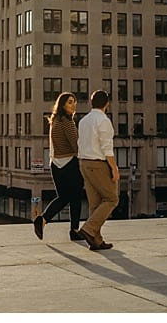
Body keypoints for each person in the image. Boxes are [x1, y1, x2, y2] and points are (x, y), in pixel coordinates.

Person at [33, 92, 86, 242]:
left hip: (55, 165)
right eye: (70, 102)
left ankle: (42, 220)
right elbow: (76, 145)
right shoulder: (67, 122)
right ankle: (74, 231)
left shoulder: (54, 121)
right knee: (75, 198)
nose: (73, 104)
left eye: (74, 102)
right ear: (62, 104)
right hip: (69, 163)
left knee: (63, 197)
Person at [76, 89, 119, 251]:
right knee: (111, 199)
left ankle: (96, 240)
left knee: (95, 203)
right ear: (107, 104)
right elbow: (107, 147)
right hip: (98, 163)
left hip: (84, 163)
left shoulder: (84, 120)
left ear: (91, 102)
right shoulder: (103, 121)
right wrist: (114, 168)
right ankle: (88, 229)